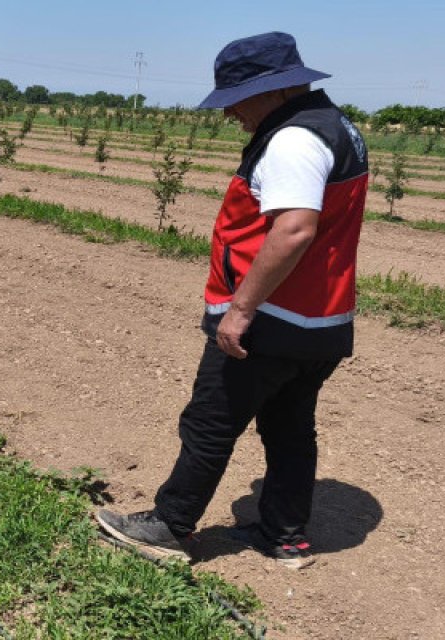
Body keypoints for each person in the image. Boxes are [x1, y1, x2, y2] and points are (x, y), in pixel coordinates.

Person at [97, 32, 368, 570]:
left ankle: (169, 526)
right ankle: (284, 534)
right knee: (291, 425)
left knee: (210, 421)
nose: (230, 115)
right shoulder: (338, 128)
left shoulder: (293, 140)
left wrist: (241, 309)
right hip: (321, 320)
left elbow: (293, 230)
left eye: (235, 100)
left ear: (272, 91)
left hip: (271, 317)